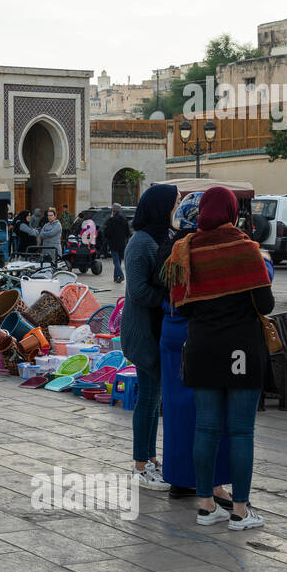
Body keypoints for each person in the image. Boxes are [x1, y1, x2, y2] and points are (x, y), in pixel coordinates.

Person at [164, 186, 273, 531]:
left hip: (201, 347)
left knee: (206, 428)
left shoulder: (183, 250)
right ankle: (240, 510)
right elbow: (266, 305)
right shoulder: (246, 249)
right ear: (232, 212)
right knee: (241, 431)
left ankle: (206, 506)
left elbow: (181, 301)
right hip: (241, 347)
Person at [153, 193, 235, 502]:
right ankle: (212, 485)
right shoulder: (211, 246)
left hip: (171, 330)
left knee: (176, 410)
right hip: (201, 333)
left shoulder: (171, 247)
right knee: (210, 412)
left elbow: (155, 284)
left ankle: (179, 479)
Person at [123, 183, 177, 491]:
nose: (176, 210)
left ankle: (151, 459)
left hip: (158, 329)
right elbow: (139, 291)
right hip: (143, 331)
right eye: (174, 204)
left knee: (154, 397)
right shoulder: (140, 242)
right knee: (147, 398)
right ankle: (140, 466)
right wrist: (168, 300)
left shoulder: (164, 237)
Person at [104, 203, 131, 283]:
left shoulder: (111, 220)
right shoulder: (124, 220)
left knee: (116, 261)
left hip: (113, 243)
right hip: (122, 243)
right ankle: (116, 277)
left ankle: (121, 275)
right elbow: (128, 232)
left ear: (113, 211)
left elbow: (107, 233)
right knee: (118, 261)